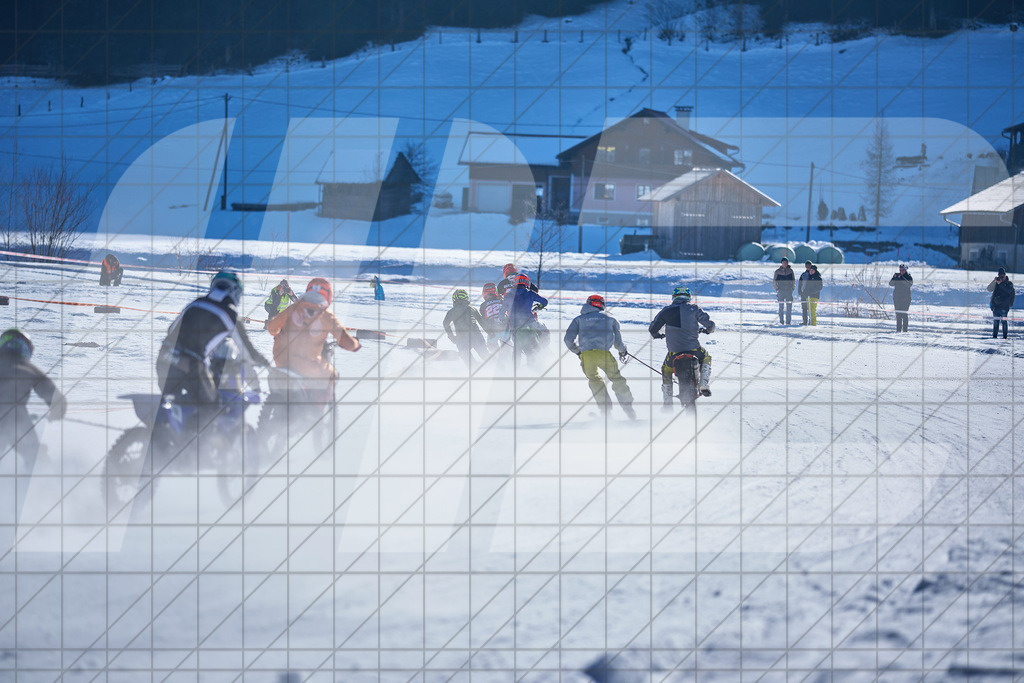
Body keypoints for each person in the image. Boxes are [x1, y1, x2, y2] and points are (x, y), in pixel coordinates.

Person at [159, 271, 271, 407]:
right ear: (235, 292)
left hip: (164, 358)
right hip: (191, 365)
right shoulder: (230, 315)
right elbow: (248, 352)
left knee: (175, 405)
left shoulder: (196, 303)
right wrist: (265, 364)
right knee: (213, 408)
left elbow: (171, 330)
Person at [266, 277, 361, 398]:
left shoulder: (293, 308)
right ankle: (316, 413)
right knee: (331, 375)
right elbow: (346, 341)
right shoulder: (326, 315)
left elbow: (272, 327)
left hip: (281, 359)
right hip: (306, 362)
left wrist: (279, 334)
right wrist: (355, 345)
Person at [563, 294, 636, 420]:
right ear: (602, 304)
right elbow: (618, 343)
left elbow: (568, 340)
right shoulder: (610, 318)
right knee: (616, 378)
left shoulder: (579, 319)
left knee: (594, 380)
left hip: (587, 355)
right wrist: (623, 352)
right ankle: (628, 407)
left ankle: (605, 411)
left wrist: (578, 352)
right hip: (604, 354)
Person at [0, 329, 66, 464]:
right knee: (35, 459)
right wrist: (57, 411)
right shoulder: (28, 368)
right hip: (15, 417)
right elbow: (56, 398)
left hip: (15, 417)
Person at [648, 287, 716, 405]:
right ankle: (704, 383)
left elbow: (653, 329)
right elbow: (711, 325)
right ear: (688, 297)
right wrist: (708, 330)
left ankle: (667, 401)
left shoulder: (666, 310)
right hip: (694, 350)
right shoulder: (694, 308)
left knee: (666, 370)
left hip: (674, 353)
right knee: (706, 357)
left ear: (674, 297)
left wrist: (658, 335)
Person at [500, 273, 548, 361]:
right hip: (530, 323)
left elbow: (502, 312)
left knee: (516, 349)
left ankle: (515, 368)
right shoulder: (530, 293)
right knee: (544, 331)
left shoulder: (508, 295)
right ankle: (545, 350)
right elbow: (545, 301)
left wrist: (501, 320)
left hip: (515, 326)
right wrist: (539, 306)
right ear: (526, 283)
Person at [443, 289, 490, 365]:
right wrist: (491, 333)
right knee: (485, 355)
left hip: (462, 338)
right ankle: (499, 368)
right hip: (476, 336)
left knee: (467, 359)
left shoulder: (451, 311)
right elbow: (482, 322)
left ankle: (476, 370)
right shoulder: (472, 308)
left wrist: (451, 336)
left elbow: (445, 323)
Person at [987, 268, 1015, 339]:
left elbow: (1008, 291)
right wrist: (994, 281)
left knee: (1004, 322)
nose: (1001, 278)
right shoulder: (997, 283)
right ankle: (994, 337)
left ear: (1005, 276)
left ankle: (1004, 337)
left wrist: (1001, 283)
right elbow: (989, 289)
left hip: (1004, 307)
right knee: (996, 323)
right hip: (996, 307)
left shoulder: (1009, 284)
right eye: (1000, 276)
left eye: (1002, 277)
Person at [478, 283, 506, 349]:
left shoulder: (483, 305)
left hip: (492, 330)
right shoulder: (501, 300)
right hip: (504, 327)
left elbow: (484, 320)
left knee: (492, 347)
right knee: (507, 346)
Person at [889, 264, 913, 332]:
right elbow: (891, 283)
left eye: (902, 270)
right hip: (897, 298)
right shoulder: (897, 276)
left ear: (905, 270)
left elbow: (909, 284)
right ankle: (898, 330)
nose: (901, 271)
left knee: (904, 314)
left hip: (906, 298)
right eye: (900, 270)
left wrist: (902, 278)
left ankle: (905, 330)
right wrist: (894, 278)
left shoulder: (908, 277)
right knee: (898, 314)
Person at [798, 261, 824, 326]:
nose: (808, 267)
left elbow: (819, 287)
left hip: (813, 296)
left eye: (809, 265)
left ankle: (812, 324)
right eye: (806, 265)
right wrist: (800, 291)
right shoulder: (805, 275)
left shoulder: (817, 277)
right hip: (805, 295)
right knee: (806, 309)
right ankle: (805, 322)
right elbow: (801, 284)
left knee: (812, 310)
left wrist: (810, 292)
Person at [772, 257, 796, 325]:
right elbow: (774, 282)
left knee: (789, 307)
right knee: (781, 307)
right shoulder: (777, 271)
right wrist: (777, 289)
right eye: (783, 262)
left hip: (789, 291)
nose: (785, 263)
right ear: (781, 263)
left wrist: (792, 288)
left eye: (786, 262)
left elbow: (793, 280)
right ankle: (781, 321)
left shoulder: (791, 271)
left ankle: (788, 322)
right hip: (781, 291)